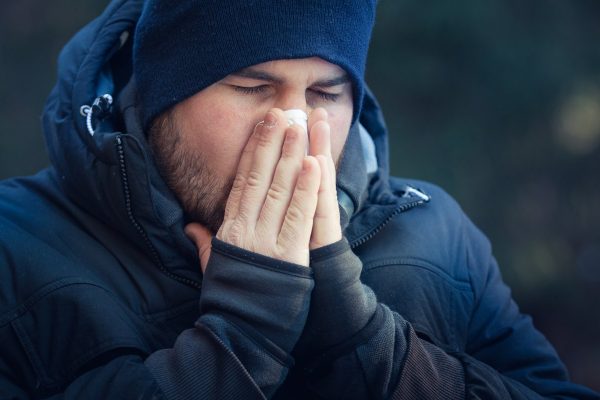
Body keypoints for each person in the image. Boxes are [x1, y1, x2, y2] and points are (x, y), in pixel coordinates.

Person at [0, 0, 598, 398]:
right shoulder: (17, 248)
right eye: (252, 87)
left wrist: (371, 346)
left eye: (325, 92)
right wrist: (241, 338)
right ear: (160, 98)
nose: (291, 125)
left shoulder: (436, 234)